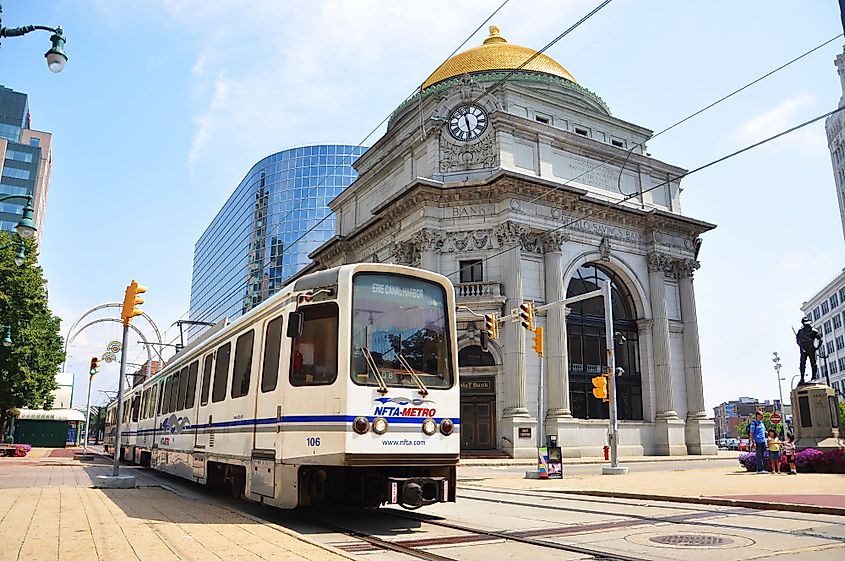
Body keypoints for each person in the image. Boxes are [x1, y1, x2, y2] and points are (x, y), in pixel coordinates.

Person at [796, 317, 823, 384]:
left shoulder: (814, 331)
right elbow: (797, 340)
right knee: (802, 364)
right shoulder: (800, 331)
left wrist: (817, 347)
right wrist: (801, 346)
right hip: (803, 349)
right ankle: (802, 378)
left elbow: (820, 339)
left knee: (813, 363)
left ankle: (814, 377)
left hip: (811, 348)